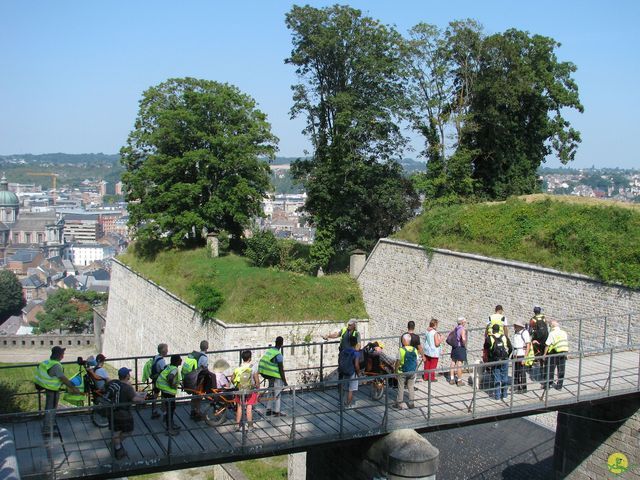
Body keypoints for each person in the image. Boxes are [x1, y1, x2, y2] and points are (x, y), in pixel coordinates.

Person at [34, 346, 80, 435]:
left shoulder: (48, 362)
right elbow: (63, 379)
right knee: (51, 409)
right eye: (63, 354)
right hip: (53, 390)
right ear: (59, 355)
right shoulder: (56, 366)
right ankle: (47, 429)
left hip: (48, 388)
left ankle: (49, 424)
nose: (63, 355)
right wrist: (73, 388)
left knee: (49, 408)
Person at [104, 367, 147, 459]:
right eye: (128, 373)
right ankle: (116, 444)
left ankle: (117, 446)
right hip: (123, 414)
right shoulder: (127, 388)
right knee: (128, 431)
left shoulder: (114, 383)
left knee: (116, 431)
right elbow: (134, 399)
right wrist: (142, 399)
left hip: (112, 411)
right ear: (127, 376)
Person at [259, 336, 288, 417]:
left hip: (268, 374)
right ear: (282, 343)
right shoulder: (278, 355)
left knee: (270, 391)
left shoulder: (270, 351)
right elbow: (281, 369)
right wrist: (284, 381)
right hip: (276, 376)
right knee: (277, 393)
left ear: (275, 342)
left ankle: (268, 409)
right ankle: (277, 411)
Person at [233, 350, 260, 431]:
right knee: (249, 407)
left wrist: (237, 385)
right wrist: (258, 390)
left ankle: (237, 425)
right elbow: (257, 381)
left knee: (240, 407)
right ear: (250, 358)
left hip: (240, 390)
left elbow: (232, 379)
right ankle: (250, 426)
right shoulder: (253, 367)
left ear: (242, 358)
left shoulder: (238, 368)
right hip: (250, 391)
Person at [484, 323, 513, 400]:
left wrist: (488, 360)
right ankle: (505, 395)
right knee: (505, 377)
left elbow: (486, 350)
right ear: (499, 330)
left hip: (495, 360)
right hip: (504, 359)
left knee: (497, 377)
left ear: (493, 330)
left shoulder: (489, 338)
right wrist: (507, 356)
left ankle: (497, 396)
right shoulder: (504, 337)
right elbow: (510, 348)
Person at [182, 340, 209, 420]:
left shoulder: (194, 354)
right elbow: (203, 369)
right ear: (207, 348)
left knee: (194, 395)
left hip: (191, 378)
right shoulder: (204, 357)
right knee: (198, 396)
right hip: (198, 379)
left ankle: (192, 411)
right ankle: (197, 413)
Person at [156, 354, 182, 435]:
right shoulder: (174, 369)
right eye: (180, 359)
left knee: (171, 408)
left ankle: (171, 425)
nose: (181, 360)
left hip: (164, 390)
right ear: (177, 361)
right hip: (169, 391)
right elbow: (170, 377)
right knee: (170, 409)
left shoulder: (169, 366)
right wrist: (172, 385)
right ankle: (169, 429)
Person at [394, 334, 418, 409]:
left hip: (402, 372)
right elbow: (416, 362)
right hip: (412, 371)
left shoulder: (401, 350)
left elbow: (397, 362)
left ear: (404, 341)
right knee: (411, 387)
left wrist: (395, 371)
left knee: (401, 387)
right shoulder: (415, 349)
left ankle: (399, 404)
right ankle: (411, 403)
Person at [543, 320, 569, 390]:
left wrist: (544, 355)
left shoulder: (552, 333)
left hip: (554, 353)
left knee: (550, 369)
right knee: (561, 370)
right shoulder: (564, 332)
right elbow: (565, 343)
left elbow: (547, 344)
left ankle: (548, 385)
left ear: (552, 326)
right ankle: (559, 386)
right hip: (563, 352)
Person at [337, 335, 361, 408]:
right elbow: (356, 365)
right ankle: (348, 404)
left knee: (344, 387)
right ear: (356, 343)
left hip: (344, 371)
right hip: (352, 372)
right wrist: (359, 373)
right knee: (351, 389)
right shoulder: (356, 353)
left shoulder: (344, 351)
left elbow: (339, 360)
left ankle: (341, 403)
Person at [528, 306, 549, 379]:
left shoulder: (533, 319)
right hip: (545, 338)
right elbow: (547, 326)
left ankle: (530, 365)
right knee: (544, 352)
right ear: (540, 311)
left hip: (537, 339)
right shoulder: (543, 317)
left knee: (532, 349)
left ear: (534, 312)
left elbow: (530, 331)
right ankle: (543, 367)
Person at [149, 343, 168, 419]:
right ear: (163, 351)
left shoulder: (156, 357)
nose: (167, 351)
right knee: (163, 396)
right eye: (166, 349)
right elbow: (164, 372)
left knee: (155, 395)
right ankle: (164, 413)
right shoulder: (162, 361)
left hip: (155, 379)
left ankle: (154, 411)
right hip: (160, 381)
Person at [512, 321, 531, 393]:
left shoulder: (525, 333)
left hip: (521, 355)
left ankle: (523, 388)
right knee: (516, 371)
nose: (514, 327)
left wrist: (525, 358)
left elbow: (528, 345)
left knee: (522, 372)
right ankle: (516, 386)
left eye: (516, 325)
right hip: (515, 354)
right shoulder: (516, 333)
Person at [449, 317, 468, 387]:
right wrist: (464, 343)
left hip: (454, 347)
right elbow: (463, 339)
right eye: (465, 322)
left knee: (453, 362)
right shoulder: (462, 329)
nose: (465, 323)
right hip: (460, 348)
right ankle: (459, 380)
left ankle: (452, 379)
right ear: (462, 322)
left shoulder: (456, 328)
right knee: (459, 363)